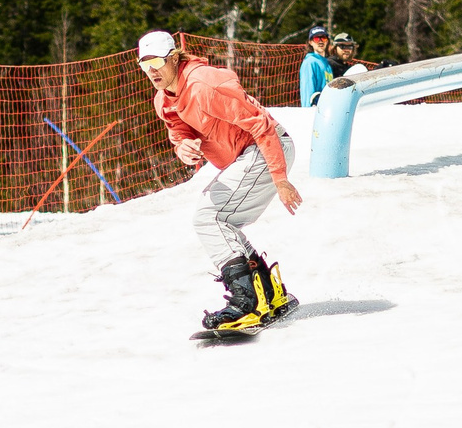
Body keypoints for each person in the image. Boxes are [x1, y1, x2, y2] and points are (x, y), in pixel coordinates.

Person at [138, 29, 301, 332]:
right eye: (144, 65)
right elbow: (179, 128)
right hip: (247, 155)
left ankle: (246, 304)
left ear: (174, 58)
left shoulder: (202, 85)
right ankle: (269, 294)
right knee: (220, 221)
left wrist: (280, 178)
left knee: (208, 217)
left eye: (157, 63)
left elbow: (261, 125)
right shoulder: (164, 99)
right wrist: (182, 146)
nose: (152, 72)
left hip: (265, 146)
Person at [298, 27, 336, 106]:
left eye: (323, 38)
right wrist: (309, 109)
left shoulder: (327, 64)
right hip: (314, 111)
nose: (320, 41)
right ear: (311, 42)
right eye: (316, 38)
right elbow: (307, 90)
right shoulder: (310, 62)